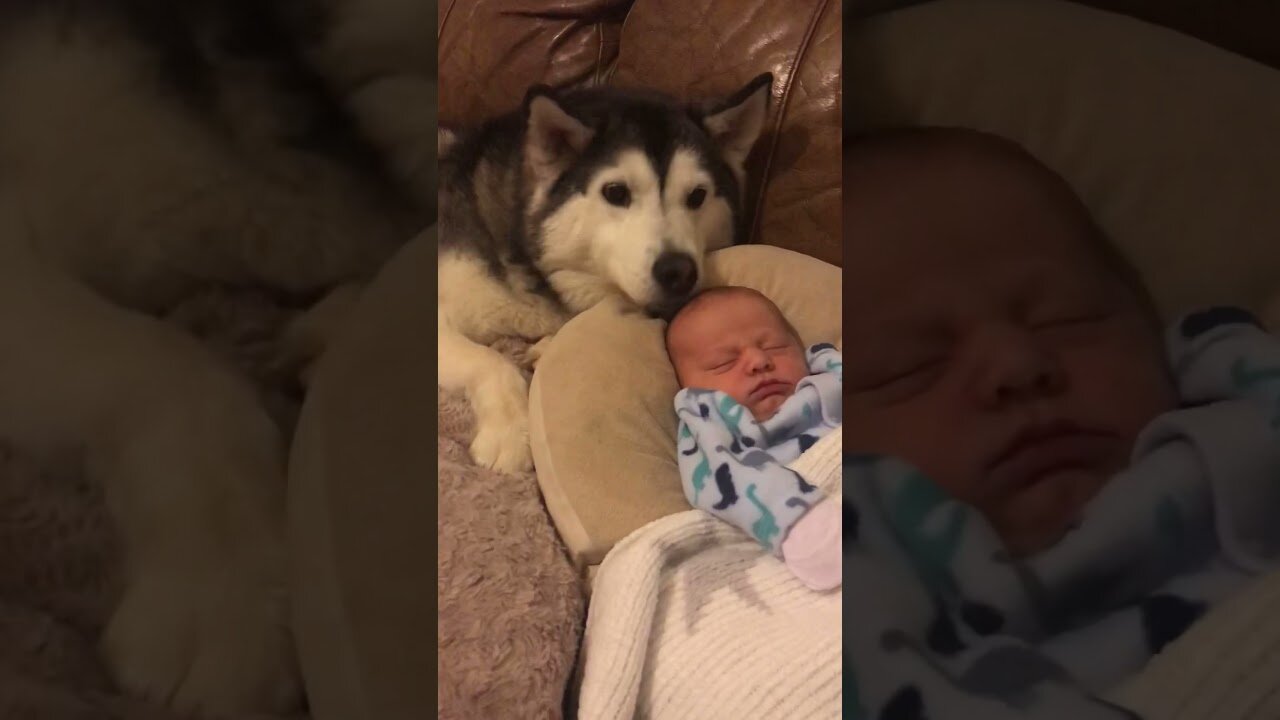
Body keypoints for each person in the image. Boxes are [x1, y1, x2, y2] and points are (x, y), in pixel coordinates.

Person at [840, 126, 1280, 719]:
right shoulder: (859, 570)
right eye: (909, 365)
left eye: (1068, 317)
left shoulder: (1241, 412)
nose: (1018, 365)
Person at [665, 286, 843, 590]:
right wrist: (807, 528)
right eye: (724, 362)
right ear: (688, 385)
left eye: (775, 347)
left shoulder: (831, 375)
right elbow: (727, 475)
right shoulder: (709, 419)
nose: (759, 360)